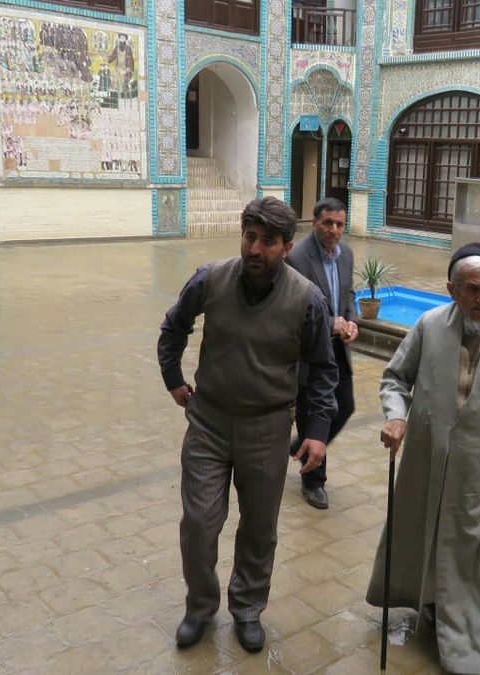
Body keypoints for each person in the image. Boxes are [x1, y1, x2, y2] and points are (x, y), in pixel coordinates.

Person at [157, 197, 339, 654]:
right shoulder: (210, 279)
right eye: (250, 237)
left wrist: (317, 431)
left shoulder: (307, 299)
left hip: (268, 427)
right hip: (209, 423)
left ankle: (247, 608)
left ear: (287, 246)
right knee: (199, 522)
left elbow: (322, 368)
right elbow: (174, 326)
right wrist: (173, 377)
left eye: (268, 241)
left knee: (259, 527)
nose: (255, 249)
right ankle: (200, 607)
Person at [367, 243, 480, 675]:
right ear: (451, 289)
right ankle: (430, 603)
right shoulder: (429, 325)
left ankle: (478, 648)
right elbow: (395, 378)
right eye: (472, 289)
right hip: (426, 462)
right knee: (426, 536)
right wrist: (396, 416)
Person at [285, 197, 358, 509]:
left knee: (346, 406)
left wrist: (351, 320)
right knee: (314, 412)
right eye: (327, 223)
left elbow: (348, 293)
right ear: (315, 223)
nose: (334, 230)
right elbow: (291, 309)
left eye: (339, 224)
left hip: (338, 349)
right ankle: (313, 482)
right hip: (309, 353)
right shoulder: (297, 258)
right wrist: (330, 323)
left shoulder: (346, 254)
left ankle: (303, 443)